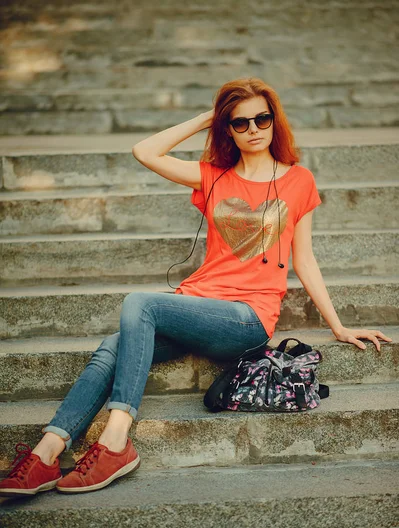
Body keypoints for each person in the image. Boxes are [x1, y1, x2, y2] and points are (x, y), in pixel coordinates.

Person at [0, 77, 391, 498]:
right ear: (227, 129)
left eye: (262, 118)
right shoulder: (212, 177)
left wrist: (338, 326)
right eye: (240, 123)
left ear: (275, 121)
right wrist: (210, 116)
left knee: (140, 304)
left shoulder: (298, 181)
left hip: (246, 319)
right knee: (114, 344)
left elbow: (305, 260)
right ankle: (47, 452)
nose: (253, 128)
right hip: (196, 308)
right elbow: (144, 151)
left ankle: (115, 439)